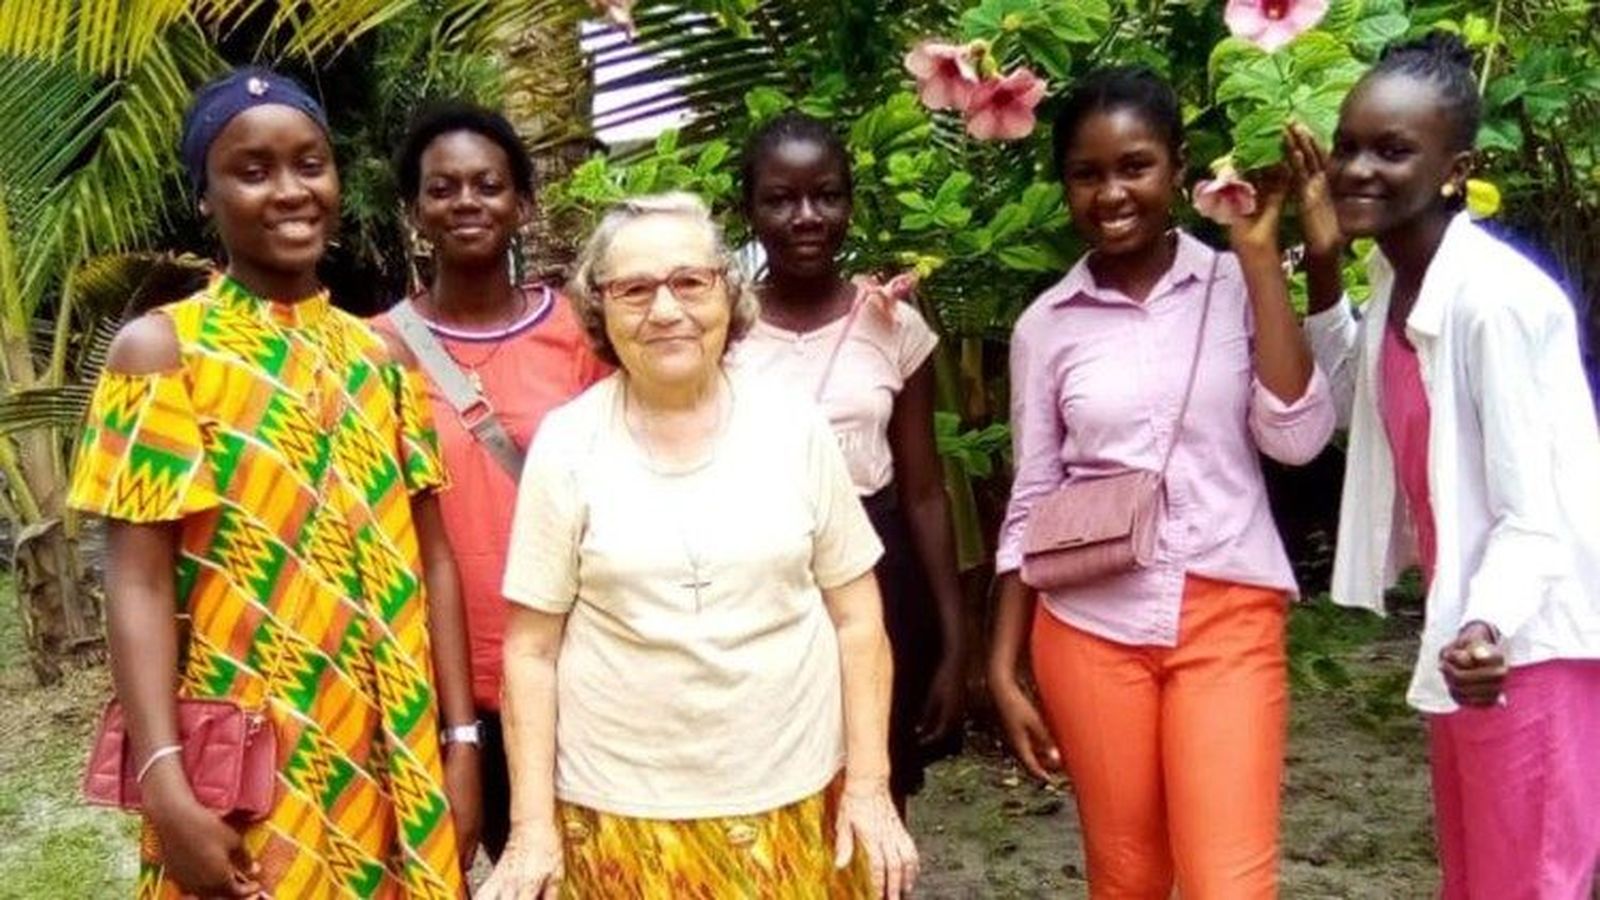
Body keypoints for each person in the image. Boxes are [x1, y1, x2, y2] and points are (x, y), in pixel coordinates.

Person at [67, 68, 475, 897]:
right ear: (205, 199)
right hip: (249, 756)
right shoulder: (162, 353)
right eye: (252, 172)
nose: (291, 191)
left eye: (310, 165)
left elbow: (434, 560)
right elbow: (138, 582)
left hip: (389, 745)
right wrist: (164, 784)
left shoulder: (380, 358)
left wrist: (460, 741)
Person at [478, 192, 919, 899]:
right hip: (621, 812)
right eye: (634, 289)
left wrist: (869, 787)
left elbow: (858, 616)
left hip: (795, 795)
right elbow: (530, 652)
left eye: (690, 281)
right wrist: (532, 830)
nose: (665, 310)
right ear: (600, 310)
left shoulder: (794, 428)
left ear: (728, 292)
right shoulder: (567, 445)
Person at [987, 66, 1336, 898]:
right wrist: (1002, 665)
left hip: (1227, 615)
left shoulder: (1234, 280)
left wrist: (1262, 263)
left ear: (1179, 167)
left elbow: (1297, 437)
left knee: (1228, 883)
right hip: (1089, 625)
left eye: (1134, 166)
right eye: (1086, 173)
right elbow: (1031, 496)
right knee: (1128, 878)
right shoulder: (1046, 327)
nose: (1111, 192)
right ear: (1064, 184)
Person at [1289, 32, 1600, 898]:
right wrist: (1319, 259)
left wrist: (1487, 624)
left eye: (1393, 151)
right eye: (1349, 145)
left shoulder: (1492, 302)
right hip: (1470, 635)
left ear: (1456, 169)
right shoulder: (1404, 283)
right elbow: (1361, 401)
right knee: (1477, 879)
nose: (1356, 169)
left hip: (1529, 642)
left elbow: (1536, 510)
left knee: (1531, 882)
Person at [370, 102, 610, 863]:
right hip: (438, 678)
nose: (466, 202)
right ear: (415, 214)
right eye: (442, 189)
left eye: (488, 184)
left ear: (523, 205)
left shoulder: (583, 331)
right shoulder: (373, 349)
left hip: (576, 665)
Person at [731, 111, 967, 810]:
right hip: (758, 581)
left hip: (876, 574)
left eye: (826, 195)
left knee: (873, 794)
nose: (806, 216)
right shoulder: (720, 327)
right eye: (780, 198)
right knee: (769, 795)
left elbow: (925, 493)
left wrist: (955, 641)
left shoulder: (895, 326)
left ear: (849, 202)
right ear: (749, 209)